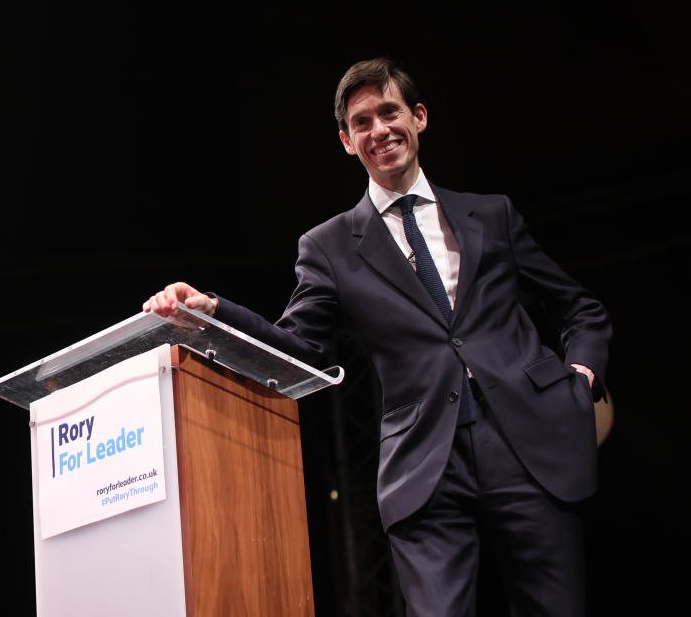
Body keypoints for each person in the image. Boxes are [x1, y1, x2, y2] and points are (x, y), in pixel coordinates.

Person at [142, 58, 611, 617]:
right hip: (426, 461)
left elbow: (581, 309)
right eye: (361, 122)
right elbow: (300, 347)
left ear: (418, 118)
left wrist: (580, 380)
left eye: (390, 112)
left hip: (528, 443)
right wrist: (213, 310)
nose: (379, 130)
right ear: (347, 141)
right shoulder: (330, 246)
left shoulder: (491, 215)